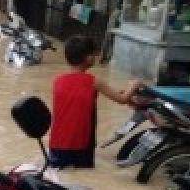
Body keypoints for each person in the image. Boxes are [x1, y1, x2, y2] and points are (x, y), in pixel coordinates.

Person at [47, 35, 143, 169]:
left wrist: (121, 92)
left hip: (57, 143)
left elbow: (77, 98)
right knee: (82, 175)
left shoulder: (58, 81)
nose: (96, 56)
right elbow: (122, 100)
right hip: (81, 143)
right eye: (93, 53)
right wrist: (134, 85)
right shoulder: (93, 81)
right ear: (88, 58)